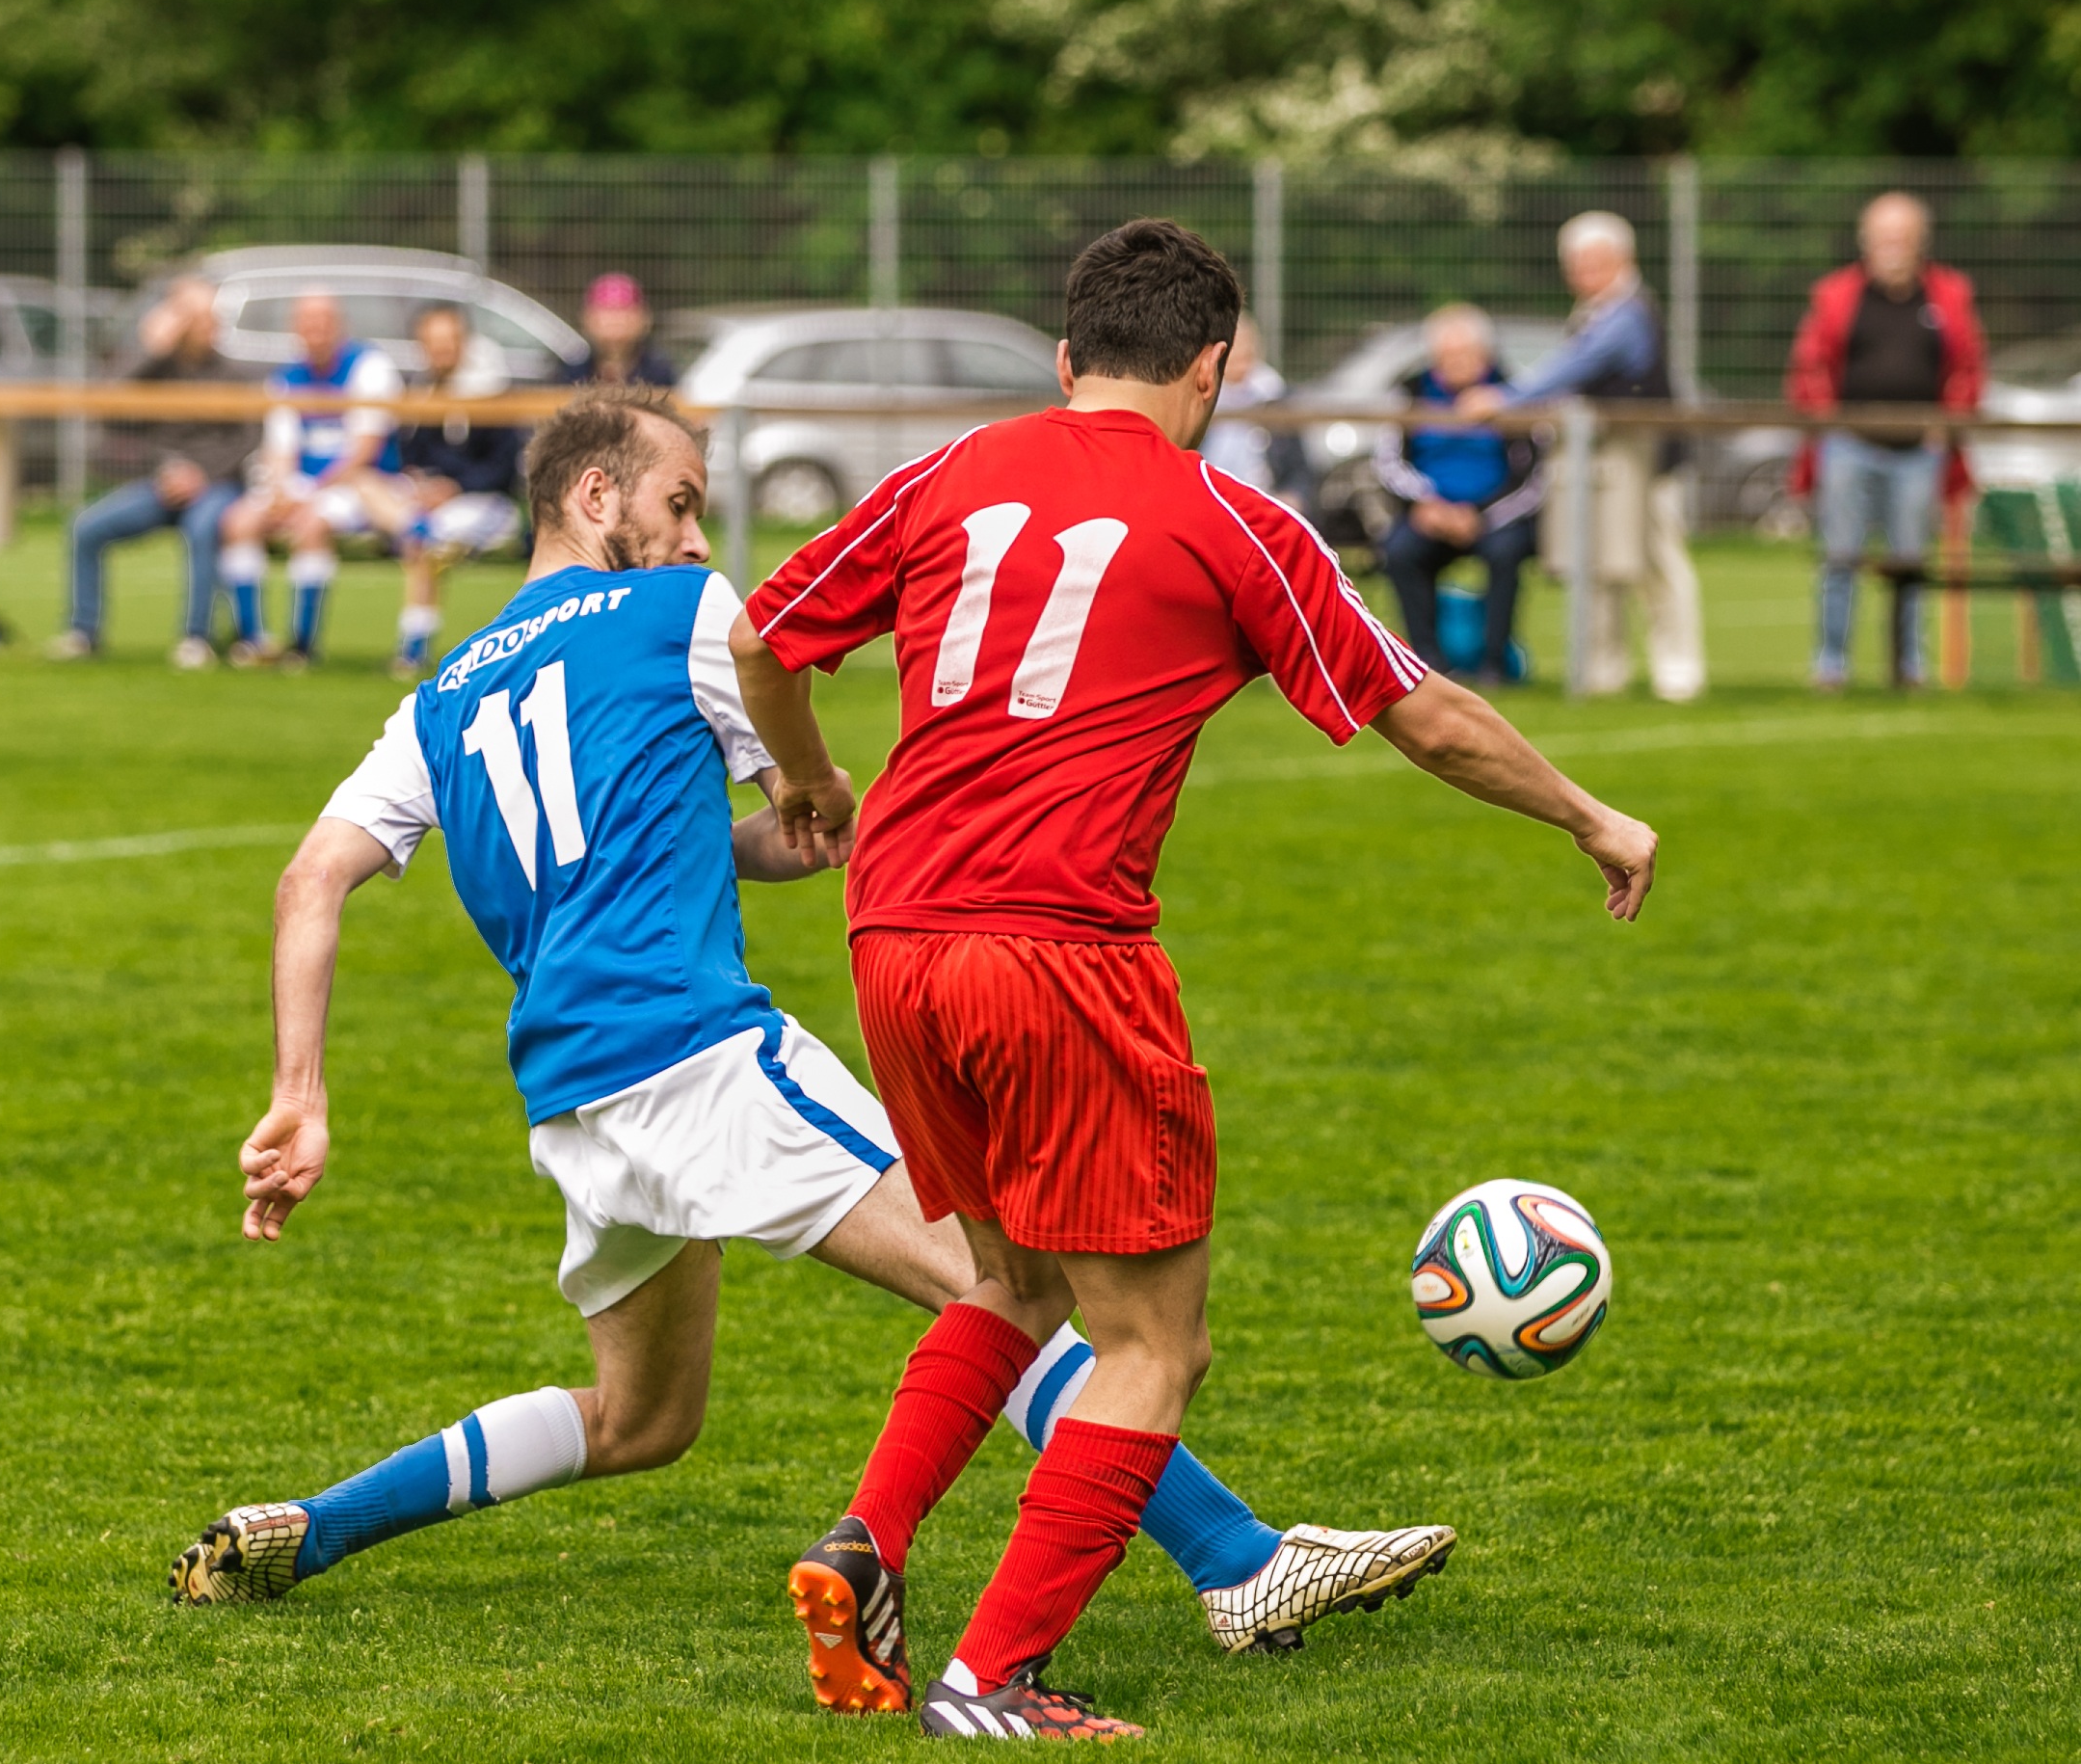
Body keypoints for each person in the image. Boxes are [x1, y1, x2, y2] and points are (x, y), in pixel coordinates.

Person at [170, 386, 1457, 1690]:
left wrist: (299, 1091)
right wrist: (814, 785)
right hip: (698, 1053)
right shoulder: (687, 614)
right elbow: (786, 718)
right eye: (678, 501)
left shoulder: (439, 692)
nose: (691, 534)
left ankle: (312, 1525)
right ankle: (1237, 1559)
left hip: (569, 1092)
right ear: (595, 495)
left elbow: (311, 881)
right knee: (998, 1282)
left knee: (639, 1417)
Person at [733, 220, 1659, 1742]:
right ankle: (994, 1677)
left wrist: (813, 780)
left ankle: (866, 1540)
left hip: (893, 936)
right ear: (1214, 366)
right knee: (1155, 1340)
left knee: (1012, 1284)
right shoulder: (1233, 518)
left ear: (1063, 357)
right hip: (1059, 948)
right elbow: (1423, 715)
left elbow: (769, 631)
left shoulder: (942, 472)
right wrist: (1587, 811)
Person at [1456, 211, 1700, 701]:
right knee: (1601, 562)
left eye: (1590, 261)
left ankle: (1679, 673)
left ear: (1621, 258)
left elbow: (1577, 365)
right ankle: (1602, 671)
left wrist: (1506, 399)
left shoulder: (1628, 311)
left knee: (1658, 564)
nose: (1578, 272)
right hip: (1604, 457)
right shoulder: (1592, 308)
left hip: (1647, 460)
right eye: (1573, 262)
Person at [1786, 192, 1986, 689]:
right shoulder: (1835, 295)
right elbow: (1808, 366)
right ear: (1866, 242)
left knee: (1911, 564)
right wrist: (1826, 420)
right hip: (1849, 445)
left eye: (1901, 236)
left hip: (1920, 451)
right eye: (1882, 236)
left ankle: (1909, 667)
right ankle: (1830, 665)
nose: (1891, 246)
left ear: (1920, 242)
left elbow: (1969, 368)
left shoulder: (1949, 295)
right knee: (1839, 559)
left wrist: (1948, 425)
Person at [47, 277, 253, 669]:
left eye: (209, 317)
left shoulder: (233, 374)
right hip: (163, 483)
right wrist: (150, 349)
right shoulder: (156, 370)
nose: (205, 326)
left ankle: (197, 638)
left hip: (217, 485)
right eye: (192, 317)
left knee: (203, 528)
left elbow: (246, 441)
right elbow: (111, 407)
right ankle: (82, 632)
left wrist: (201, 475)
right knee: (86, 527)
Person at [217, 291, 404, 668]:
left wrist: (309, 495)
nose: (315, 331)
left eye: (323, 322)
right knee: (239, 521)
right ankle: (253, 642)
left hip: (362, 485)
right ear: (296, 330)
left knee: (311, 524)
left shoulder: (370, 368)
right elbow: (280, 452)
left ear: (339, 325)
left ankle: (302, 646)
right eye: (307, 323)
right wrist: (281, 492)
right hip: (305, 486)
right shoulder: (287, 378)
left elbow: (364, 451)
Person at [1376, 305, 1548, 682]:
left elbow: (1532, 478)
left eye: (1463, 355)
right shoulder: (1409, 392)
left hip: (1496, 516)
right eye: (1445, 356)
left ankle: (1494, 664)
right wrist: (1429, 506)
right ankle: (1427, 664)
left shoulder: (1515, 392)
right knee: (1399, 551)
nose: (1453, 363)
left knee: (1505, 553)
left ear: (1484, 354)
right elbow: (1388, 463)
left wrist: (1480, 516)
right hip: (1430, 513)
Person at [390, 301, 526, 678]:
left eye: (448, 340)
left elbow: (503, 468)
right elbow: (411, 456)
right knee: (417, 529)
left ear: (464, 342)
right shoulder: (422, 393)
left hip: (487, 503)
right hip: (435, 502)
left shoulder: (489, 393)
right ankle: (413, 646)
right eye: (432, 342)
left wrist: (454, 486)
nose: (441, 350)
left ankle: (414, 648)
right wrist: (423, 483)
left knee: (428, 538)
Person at [1194, 310, 1286, 492]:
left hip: (1262, 493)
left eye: (1248, 344)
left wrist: (1294, 495)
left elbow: (1297, 469)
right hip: (1209, 491)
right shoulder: (1200, 395)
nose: (1243, 352)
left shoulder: (1273, 393)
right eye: (1236, 346)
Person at [560, 273, 681, 387]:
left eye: (624, 311)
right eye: (607, 311)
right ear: (587, 319)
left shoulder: (661, 373)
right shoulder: (571, 373)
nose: (615, 320)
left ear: (644, 319)